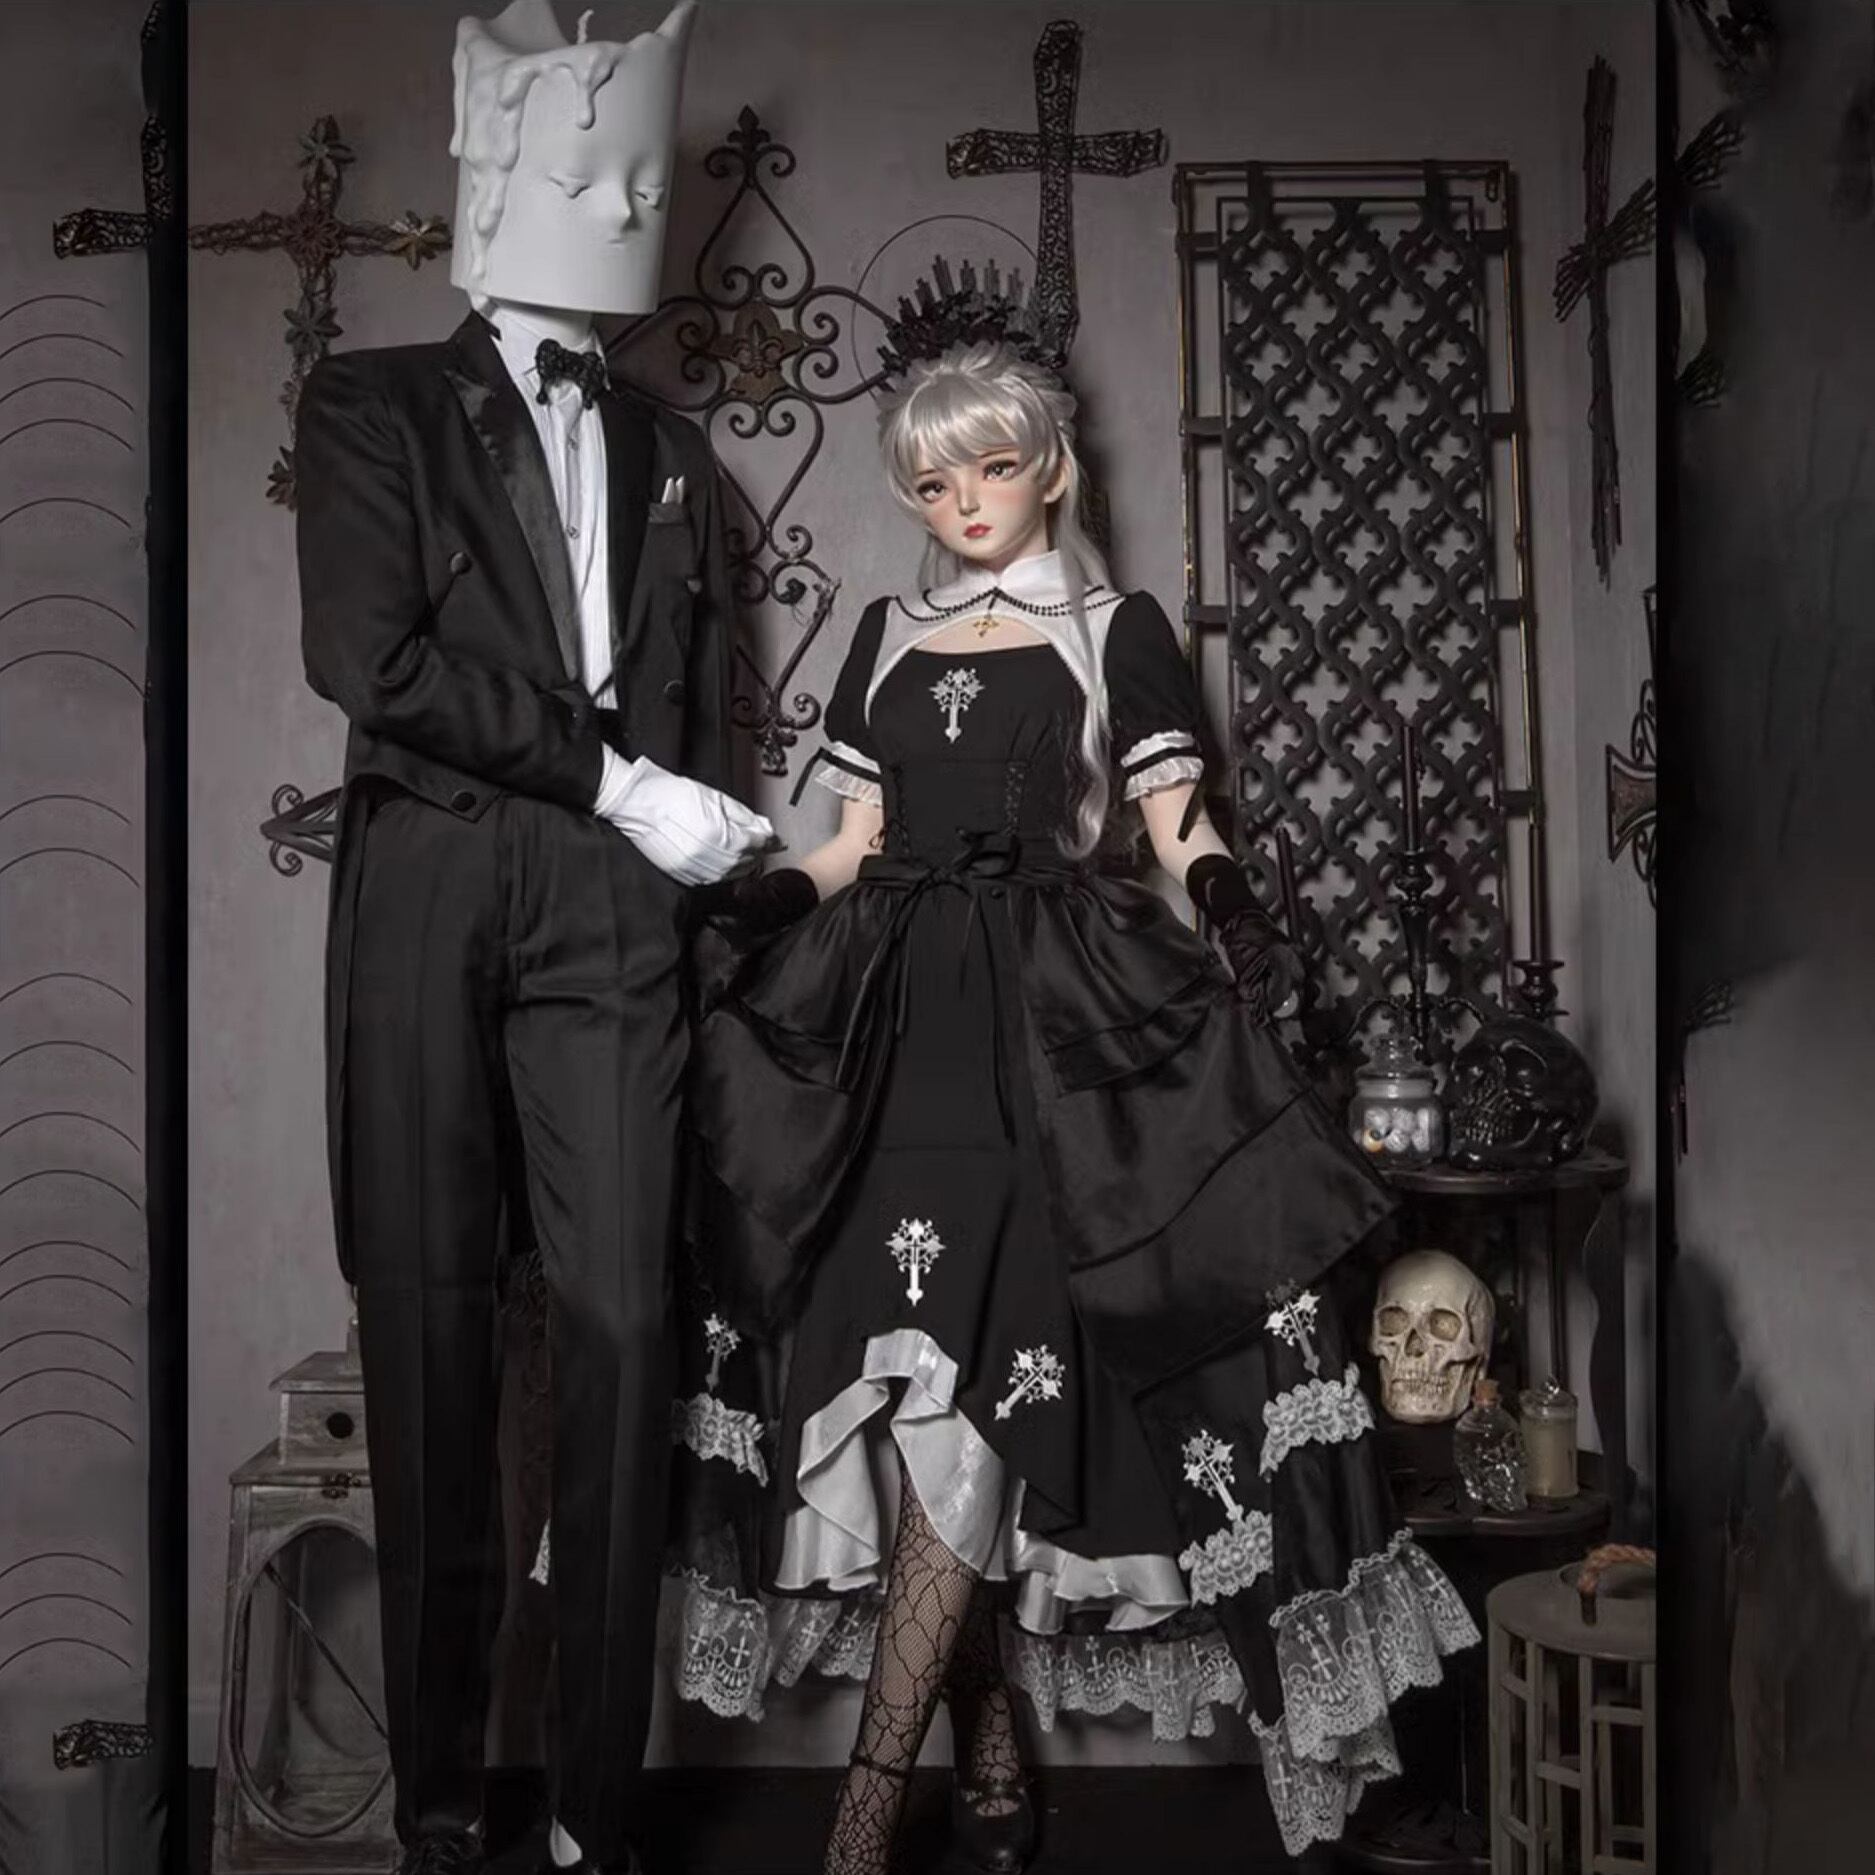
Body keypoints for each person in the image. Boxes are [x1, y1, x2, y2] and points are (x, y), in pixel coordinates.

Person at [666, 278, 1478, 1874]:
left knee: (988, 1378)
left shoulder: (1118, 631)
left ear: (1049, 465)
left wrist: (1231, 905)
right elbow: (850, 843)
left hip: (1046, 1034)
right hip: (888, 1033)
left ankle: (860, 1816)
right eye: (931, 482)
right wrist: (757, 906)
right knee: (909, 1375)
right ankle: (985, 1747)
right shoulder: (888, 633)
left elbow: (1173, 825)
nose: (963, 503)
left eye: (990, 468)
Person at [295, 6, 771, 1872]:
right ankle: (436, 1819)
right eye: (602, 170)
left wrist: (700, 876)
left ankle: (592, 1808)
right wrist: (620, 781)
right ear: (497, 173)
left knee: (630, 1329)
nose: (633, 206)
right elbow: (373, 660)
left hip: (616, 911)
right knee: (429, 1334)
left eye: (648, 175)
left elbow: (702, 708)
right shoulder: (370, 405)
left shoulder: (674, 448)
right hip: (434, 881)